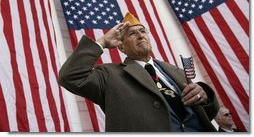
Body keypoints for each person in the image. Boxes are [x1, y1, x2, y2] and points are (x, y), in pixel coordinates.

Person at [59, 12, 219, 132]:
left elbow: (208, 114)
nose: (140, 35)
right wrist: (102, 42)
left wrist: (204, 97)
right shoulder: (109, 74)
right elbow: (70, 77)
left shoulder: (175, 70)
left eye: (143, 31)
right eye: (132, 33)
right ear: (121, 46)